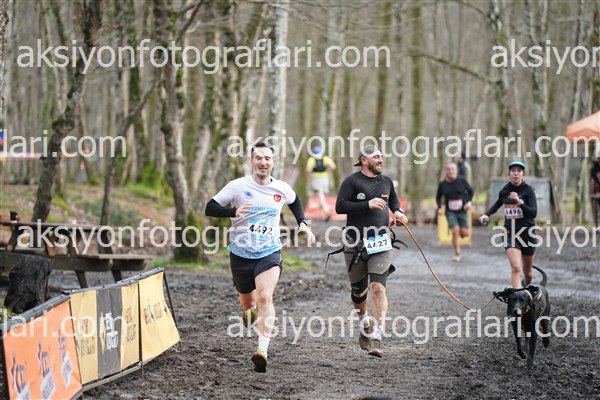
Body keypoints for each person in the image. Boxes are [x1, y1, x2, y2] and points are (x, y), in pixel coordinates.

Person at [205, 142, 316, 373]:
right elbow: (210, 207)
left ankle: (262, 350)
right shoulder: (237, 186)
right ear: (251, 161)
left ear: (273, 162)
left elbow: (295, 201)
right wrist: (232, 212)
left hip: (269, 251)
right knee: (248, 302)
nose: (263, 162)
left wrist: (303, 223)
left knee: (265, 297)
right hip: (241, 254)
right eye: (258, 158)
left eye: (267, 158)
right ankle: (249, 310)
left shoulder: (281, 188)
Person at [335, 145, 407, 358]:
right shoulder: (351, 181)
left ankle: (377, 334)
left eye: (381, 156)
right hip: (355, 243)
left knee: (377, 287)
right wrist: (367, 204)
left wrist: (399, 213)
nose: (381, 160)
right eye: (376, 156)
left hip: (381, 242)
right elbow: (340, 207)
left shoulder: (386, 182)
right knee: (359, 292)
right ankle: (364, 322)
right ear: (364, 160)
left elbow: (394, 202)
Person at [478, 161, 537, 288]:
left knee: (528, 272)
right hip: (510, 233)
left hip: (528, 233)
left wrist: (519, 202)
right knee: (516, 268)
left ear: (523, 175)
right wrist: (486, 215)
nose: (516, 173)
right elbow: (497, 204)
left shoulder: (529, 191)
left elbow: (533, 213)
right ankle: (518, 298)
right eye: (513, 171)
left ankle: (526, 286)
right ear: (509, 174)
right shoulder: (505, 191)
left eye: (519, 171)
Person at [436, 163, 473, 262]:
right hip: (450, 211)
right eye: (448, 169)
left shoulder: (462, 181)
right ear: (445, 172)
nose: (451, 171)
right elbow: (438, 197)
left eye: (453, 169)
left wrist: (469, 202)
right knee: (454, 230)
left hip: (462, 210)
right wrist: (439, 207)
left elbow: (471, 191)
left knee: (464, 234)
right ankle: (457, 253)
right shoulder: (442, 184)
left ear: (456, 171)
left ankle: (462, 231)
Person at [305, 146, 336, 221]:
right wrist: (327, 170)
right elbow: (333, 166)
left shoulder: (312, 160)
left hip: (316, 179)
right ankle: (321, 215)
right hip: (325, 179)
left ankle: (327, 211)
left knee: (320, 195)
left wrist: (312, 172)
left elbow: (308, 170)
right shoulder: (325, 158)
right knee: (321, 196)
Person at [591, 156, 600, 226]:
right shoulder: (594, 168)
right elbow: (593, 180)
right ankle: (596, 225)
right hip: (596, 192)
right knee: (596, 209)